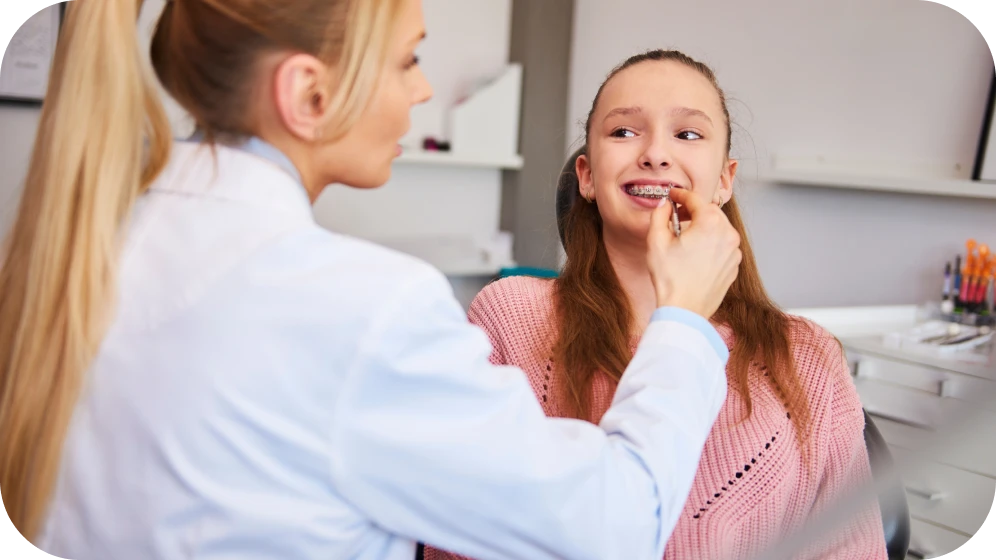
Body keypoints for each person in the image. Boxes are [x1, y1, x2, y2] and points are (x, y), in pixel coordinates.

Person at [0, 2, 745, 559]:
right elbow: (617, 527)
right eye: (407, 61)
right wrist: (683, 319)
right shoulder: (366, 310)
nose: (422, 92)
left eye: (687, 133)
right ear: (309, 95)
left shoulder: (90, 245)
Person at [424, 50, 888, 560]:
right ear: (586, 176)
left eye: (687, 134)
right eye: (624, 131)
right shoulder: (511, 315)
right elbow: (461, 535)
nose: (656, 154)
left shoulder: (807, 355)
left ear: (725, 180)